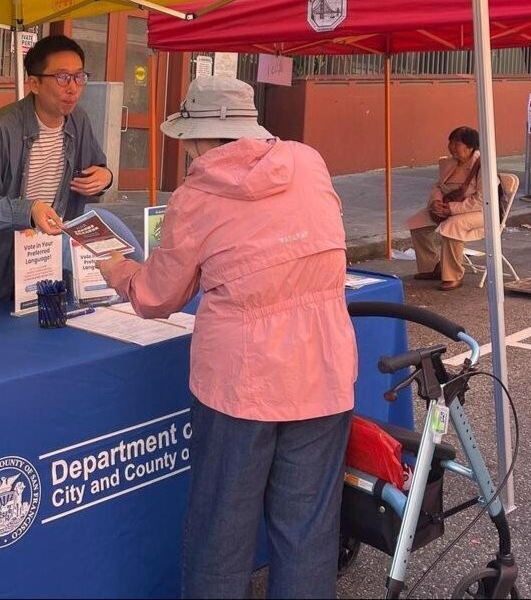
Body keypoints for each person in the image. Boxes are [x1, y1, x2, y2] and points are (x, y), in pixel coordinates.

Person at [95, 76, 356, 600]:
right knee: (307, 532)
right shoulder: (308, 162)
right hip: (323, 368)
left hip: (240, 382)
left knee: (222, 532)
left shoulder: (195, 196)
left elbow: (156, 296)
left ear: (198, 135)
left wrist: (118, 272)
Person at [0, 34, 112, 303]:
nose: (73, 88)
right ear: (34, 83)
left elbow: (97, 165)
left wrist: (105, 177)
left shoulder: (78, 120)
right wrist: (28, 210)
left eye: (79, 77)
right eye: (63, 77)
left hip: (47, 254)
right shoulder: (2, 127)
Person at [407, 125, 484, 291]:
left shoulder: (483, 167)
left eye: (457, 144)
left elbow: (482, 200)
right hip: (449, 205)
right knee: (417, 223)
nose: (452, 147)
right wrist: (435, 201)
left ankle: (453, 275)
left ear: (470, 147)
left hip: (480, 212)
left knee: (452, 226)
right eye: (451, 142)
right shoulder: (448, 163)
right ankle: (432, 267)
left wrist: (451, 209)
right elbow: (438, 186)